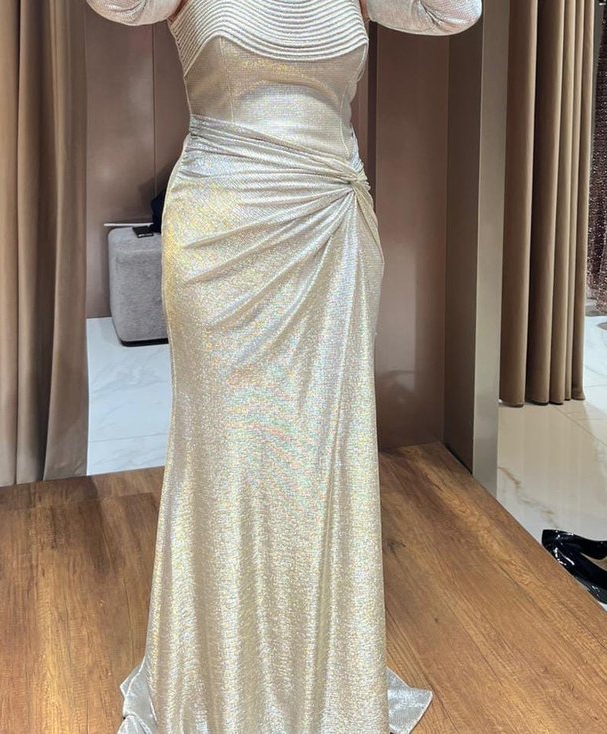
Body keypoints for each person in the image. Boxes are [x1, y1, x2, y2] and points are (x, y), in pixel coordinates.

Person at [86, 0, 482, 731]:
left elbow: (454, 12)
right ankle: (219, 687)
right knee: (227, 461)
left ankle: (322, 685)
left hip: (327, 235)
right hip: (220, 242)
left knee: (317, 464)